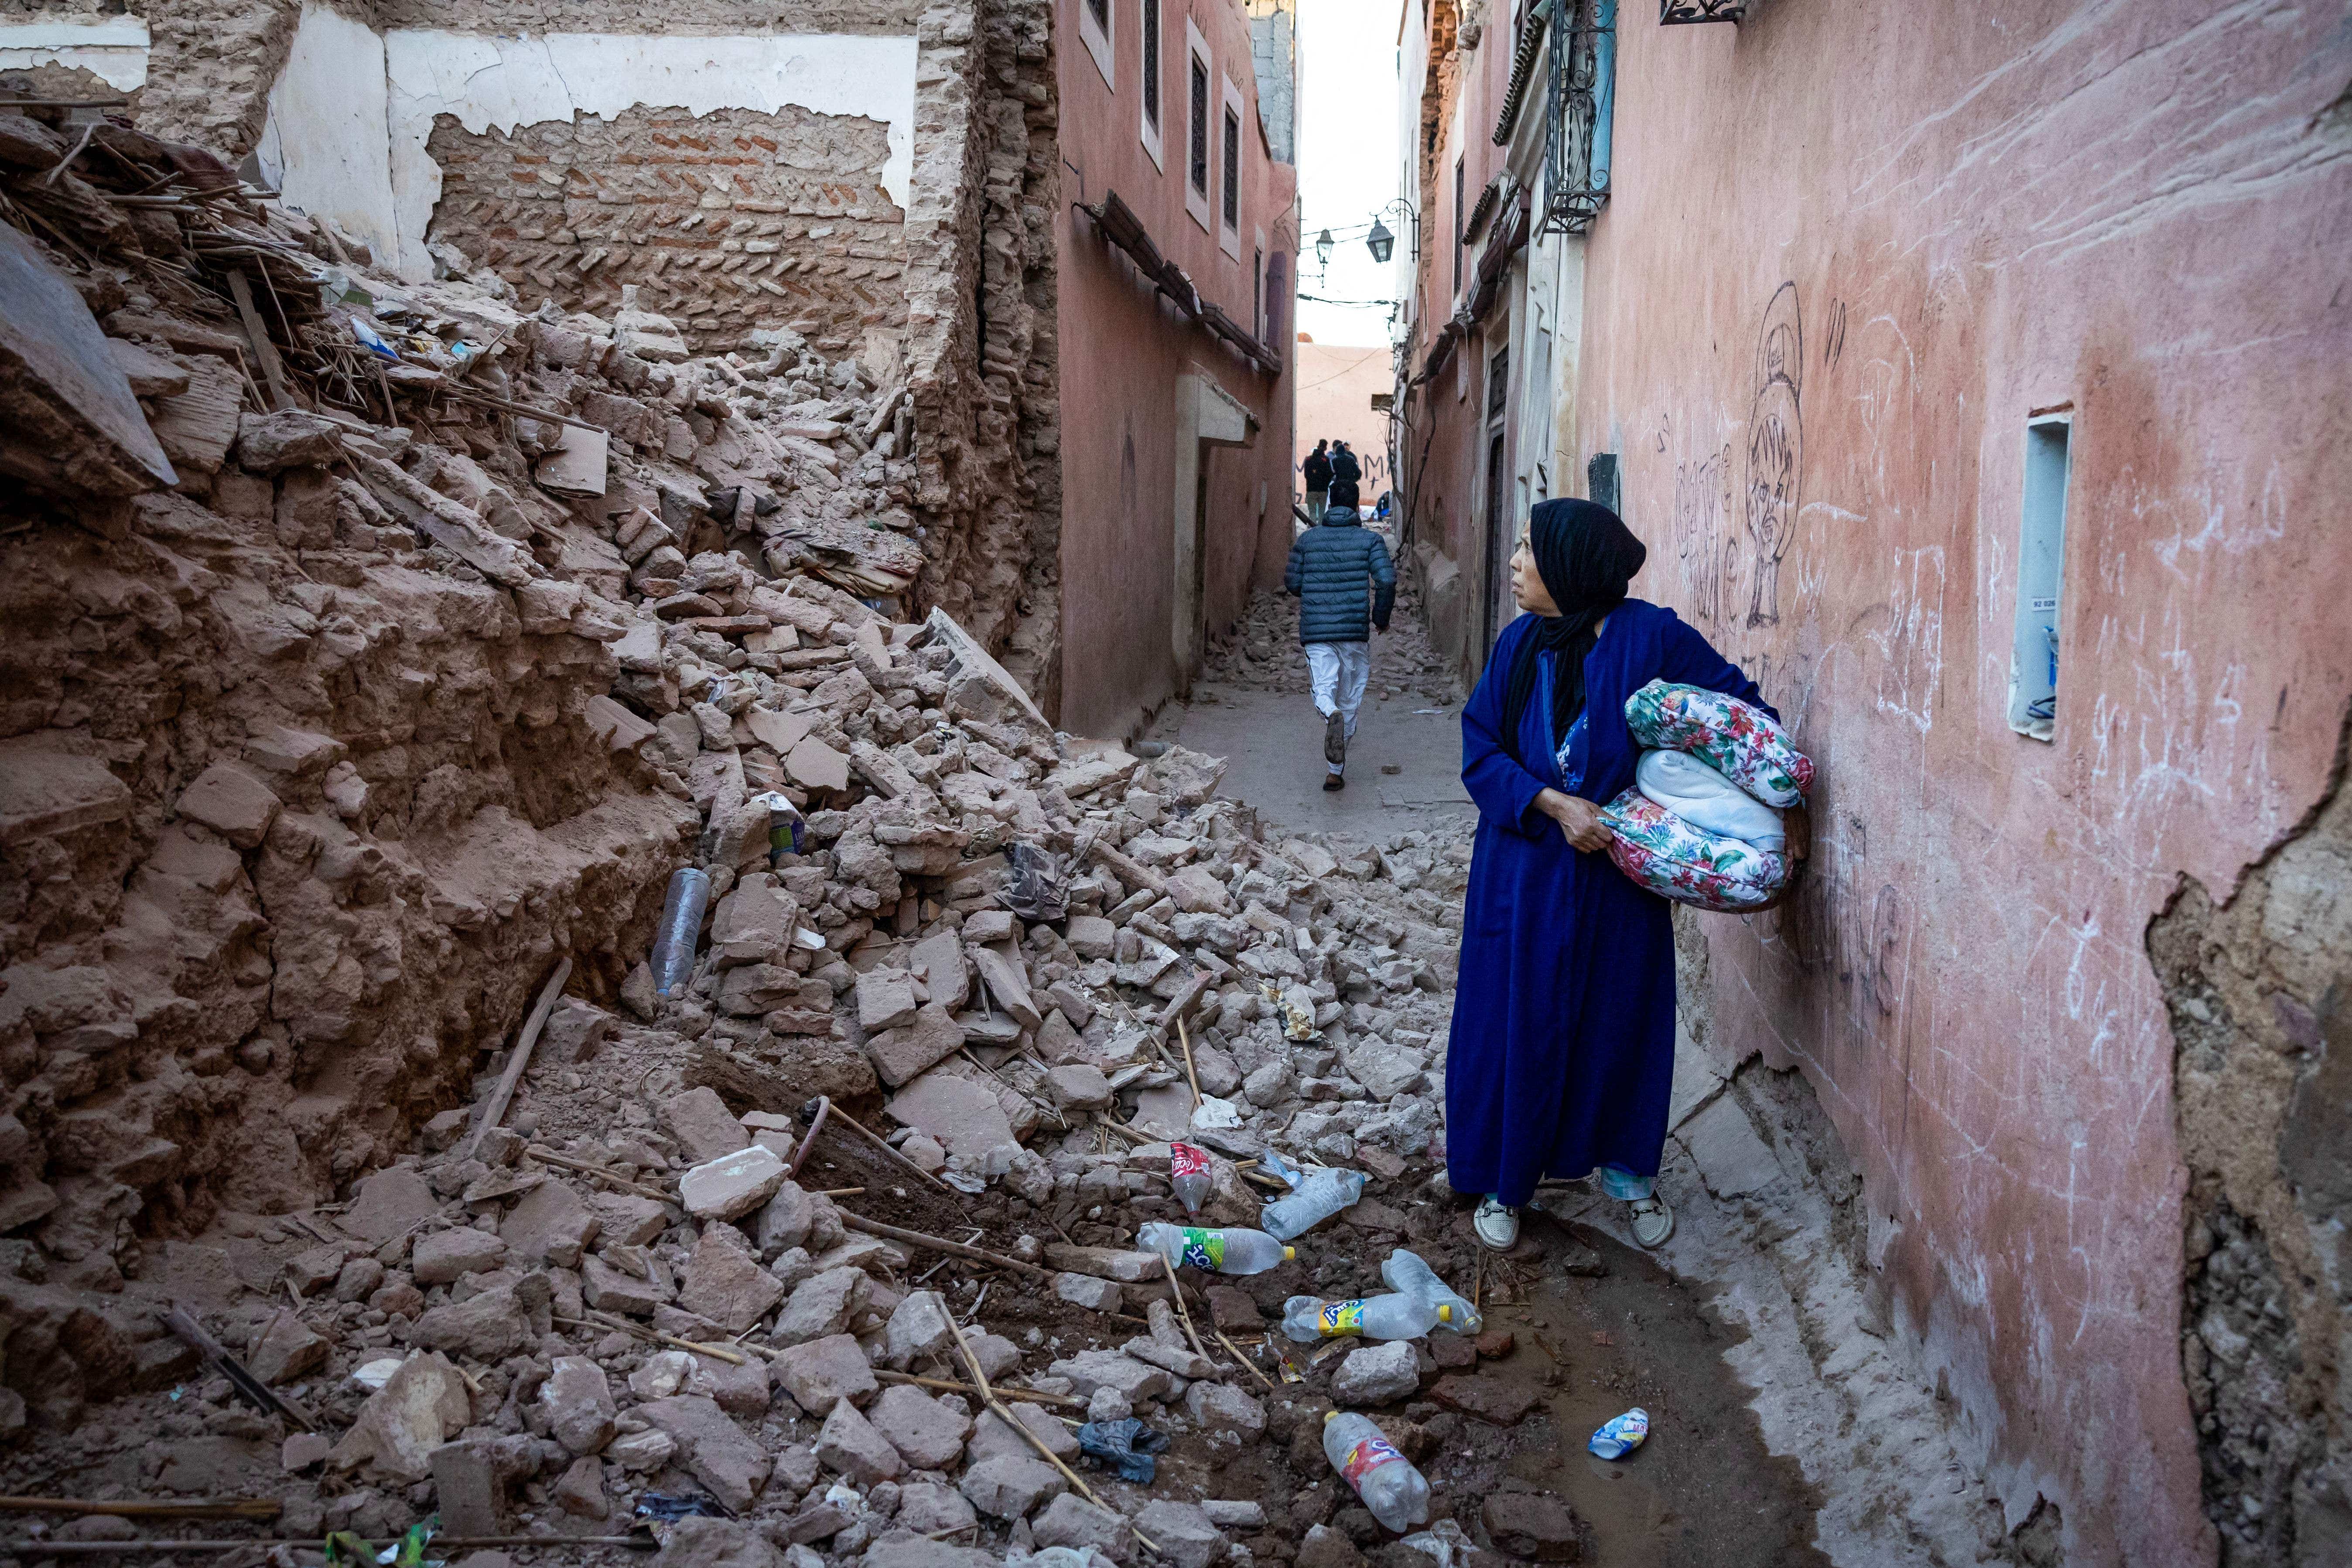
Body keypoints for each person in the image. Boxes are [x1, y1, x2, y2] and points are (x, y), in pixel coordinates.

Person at [1445, 498, 1808, 1250]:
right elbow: (1480, 749)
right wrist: (1551, 805)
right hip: (1524, 872)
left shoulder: (1652, 638)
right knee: (1514, 1021)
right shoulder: (1519, 646)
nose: (1515, 564)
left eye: (1528, 551)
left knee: (1618, 1017)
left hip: (1618, 874)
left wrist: (1776, 806)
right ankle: (1505, 1184)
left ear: (1573, 565)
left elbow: (1741, 716)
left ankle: (1625, 1174)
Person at [1284, 502, 1396, 790]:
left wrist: (1314, 584)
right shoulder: (1371, 540)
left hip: (1317, 631)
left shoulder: (1308, 539)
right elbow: (1386, 580)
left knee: (1324, 688)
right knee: (1350, 700)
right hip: (1354, 632)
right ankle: (1334, 772)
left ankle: (1328, 711)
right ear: (1356, 514)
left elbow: (1293, 583)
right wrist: (1380, 619)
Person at [1329, 440, 1363, 513]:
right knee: (1355, 494)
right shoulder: (1351, 459)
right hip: (1350, 484)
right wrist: (1354, 480)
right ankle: (1354, 513)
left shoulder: (1335, 460)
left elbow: (1332, 474)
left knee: (1332, 491)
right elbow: (1359, 473)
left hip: (1339, 483)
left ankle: (1333, 510)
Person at [1302, 440, 1332, 522]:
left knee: (1312, 512)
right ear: (1325, 448)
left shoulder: (1308, 459)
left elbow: (1306, 475)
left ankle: (1312, 528)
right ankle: (1320, 530)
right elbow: (1330, 475)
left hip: (1311, 489)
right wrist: (1326, 484)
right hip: (1323, 490)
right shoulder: (1325, 460)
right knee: (1322, 512)